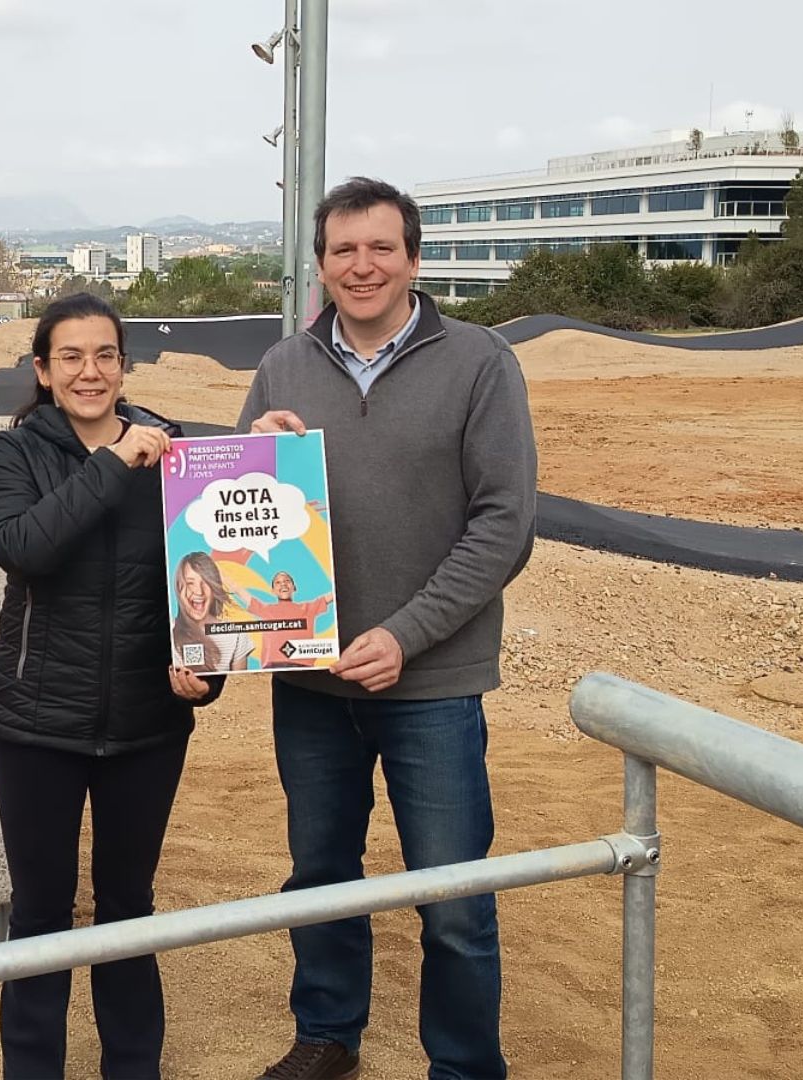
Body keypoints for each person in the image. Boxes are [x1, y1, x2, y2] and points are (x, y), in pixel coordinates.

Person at [238, 177, 539, 1080]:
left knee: (451, 896)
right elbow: (237, 515)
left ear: (413, 257)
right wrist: (256, 448)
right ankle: (327, 1034)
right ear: (320, 265)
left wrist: (406, 634)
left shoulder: (481, 363)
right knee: (320, 874)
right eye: (343, 251)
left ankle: (464, 1064)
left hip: (432, 688)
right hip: (312, 684)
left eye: (380, 248)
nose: (361, 266)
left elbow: (504, 524)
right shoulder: (282, 368)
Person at [0, 292, 221, 1080]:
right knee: (42, 915)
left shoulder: (176, 455)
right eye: (72, 357)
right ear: (44, 371)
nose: (92, 372)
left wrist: (204, 677)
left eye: (107, 355)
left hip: (148, 727)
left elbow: (205, 584)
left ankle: (134, 1068)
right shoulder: (12, 454)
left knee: (128, 911)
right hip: (35, 724)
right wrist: (116, 462)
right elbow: (25, 548)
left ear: (125, 364)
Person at [171, 550, 259, 674]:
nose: (199, 591)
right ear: (179, 588)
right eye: (190, 583)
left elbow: (239, 684)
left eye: (206, 582)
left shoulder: (236, 635)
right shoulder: (167, 631)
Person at [245, 571, 333, 668]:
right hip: (274, 665)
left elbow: (330, 596)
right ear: (273, 590)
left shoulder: (308, 608)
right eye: (278, 582)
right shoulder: (266, 609)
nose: (283, 584)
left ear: (294, 587)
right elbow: (242, 593)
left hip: (302, 665)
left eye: (287, 581)